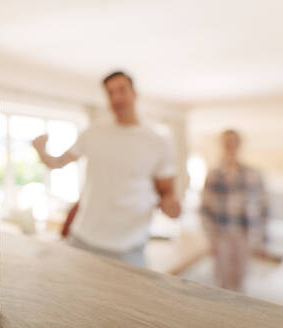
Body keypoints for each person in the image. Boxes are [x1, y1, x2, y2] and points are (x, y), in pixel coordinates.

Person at [32, 71, 181, 267]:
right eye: (110, 93)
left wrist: (171, 204)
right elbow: (58, 163)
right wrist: (41, 151)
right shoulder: (93, 133)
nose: (116, 97)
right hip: (83, 239)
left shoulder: (158, 142)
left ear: (135, 93)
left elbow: (166, 192)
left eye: (122, 90)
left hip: (130, 247)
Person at [200, 130, 269, 291]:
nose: (230, 146)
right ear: (222, 145)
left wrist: (262, 240)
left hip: (245, 233)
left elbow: (264, 209)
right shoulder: (213, 174)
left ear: (239, 144)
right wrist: (210, 238)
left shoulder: (254, 174)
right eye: (226, 142)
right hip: (221, 234)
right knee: (222, 279)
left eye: (233, 142)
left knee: (242, 277)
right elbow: (205, 209)